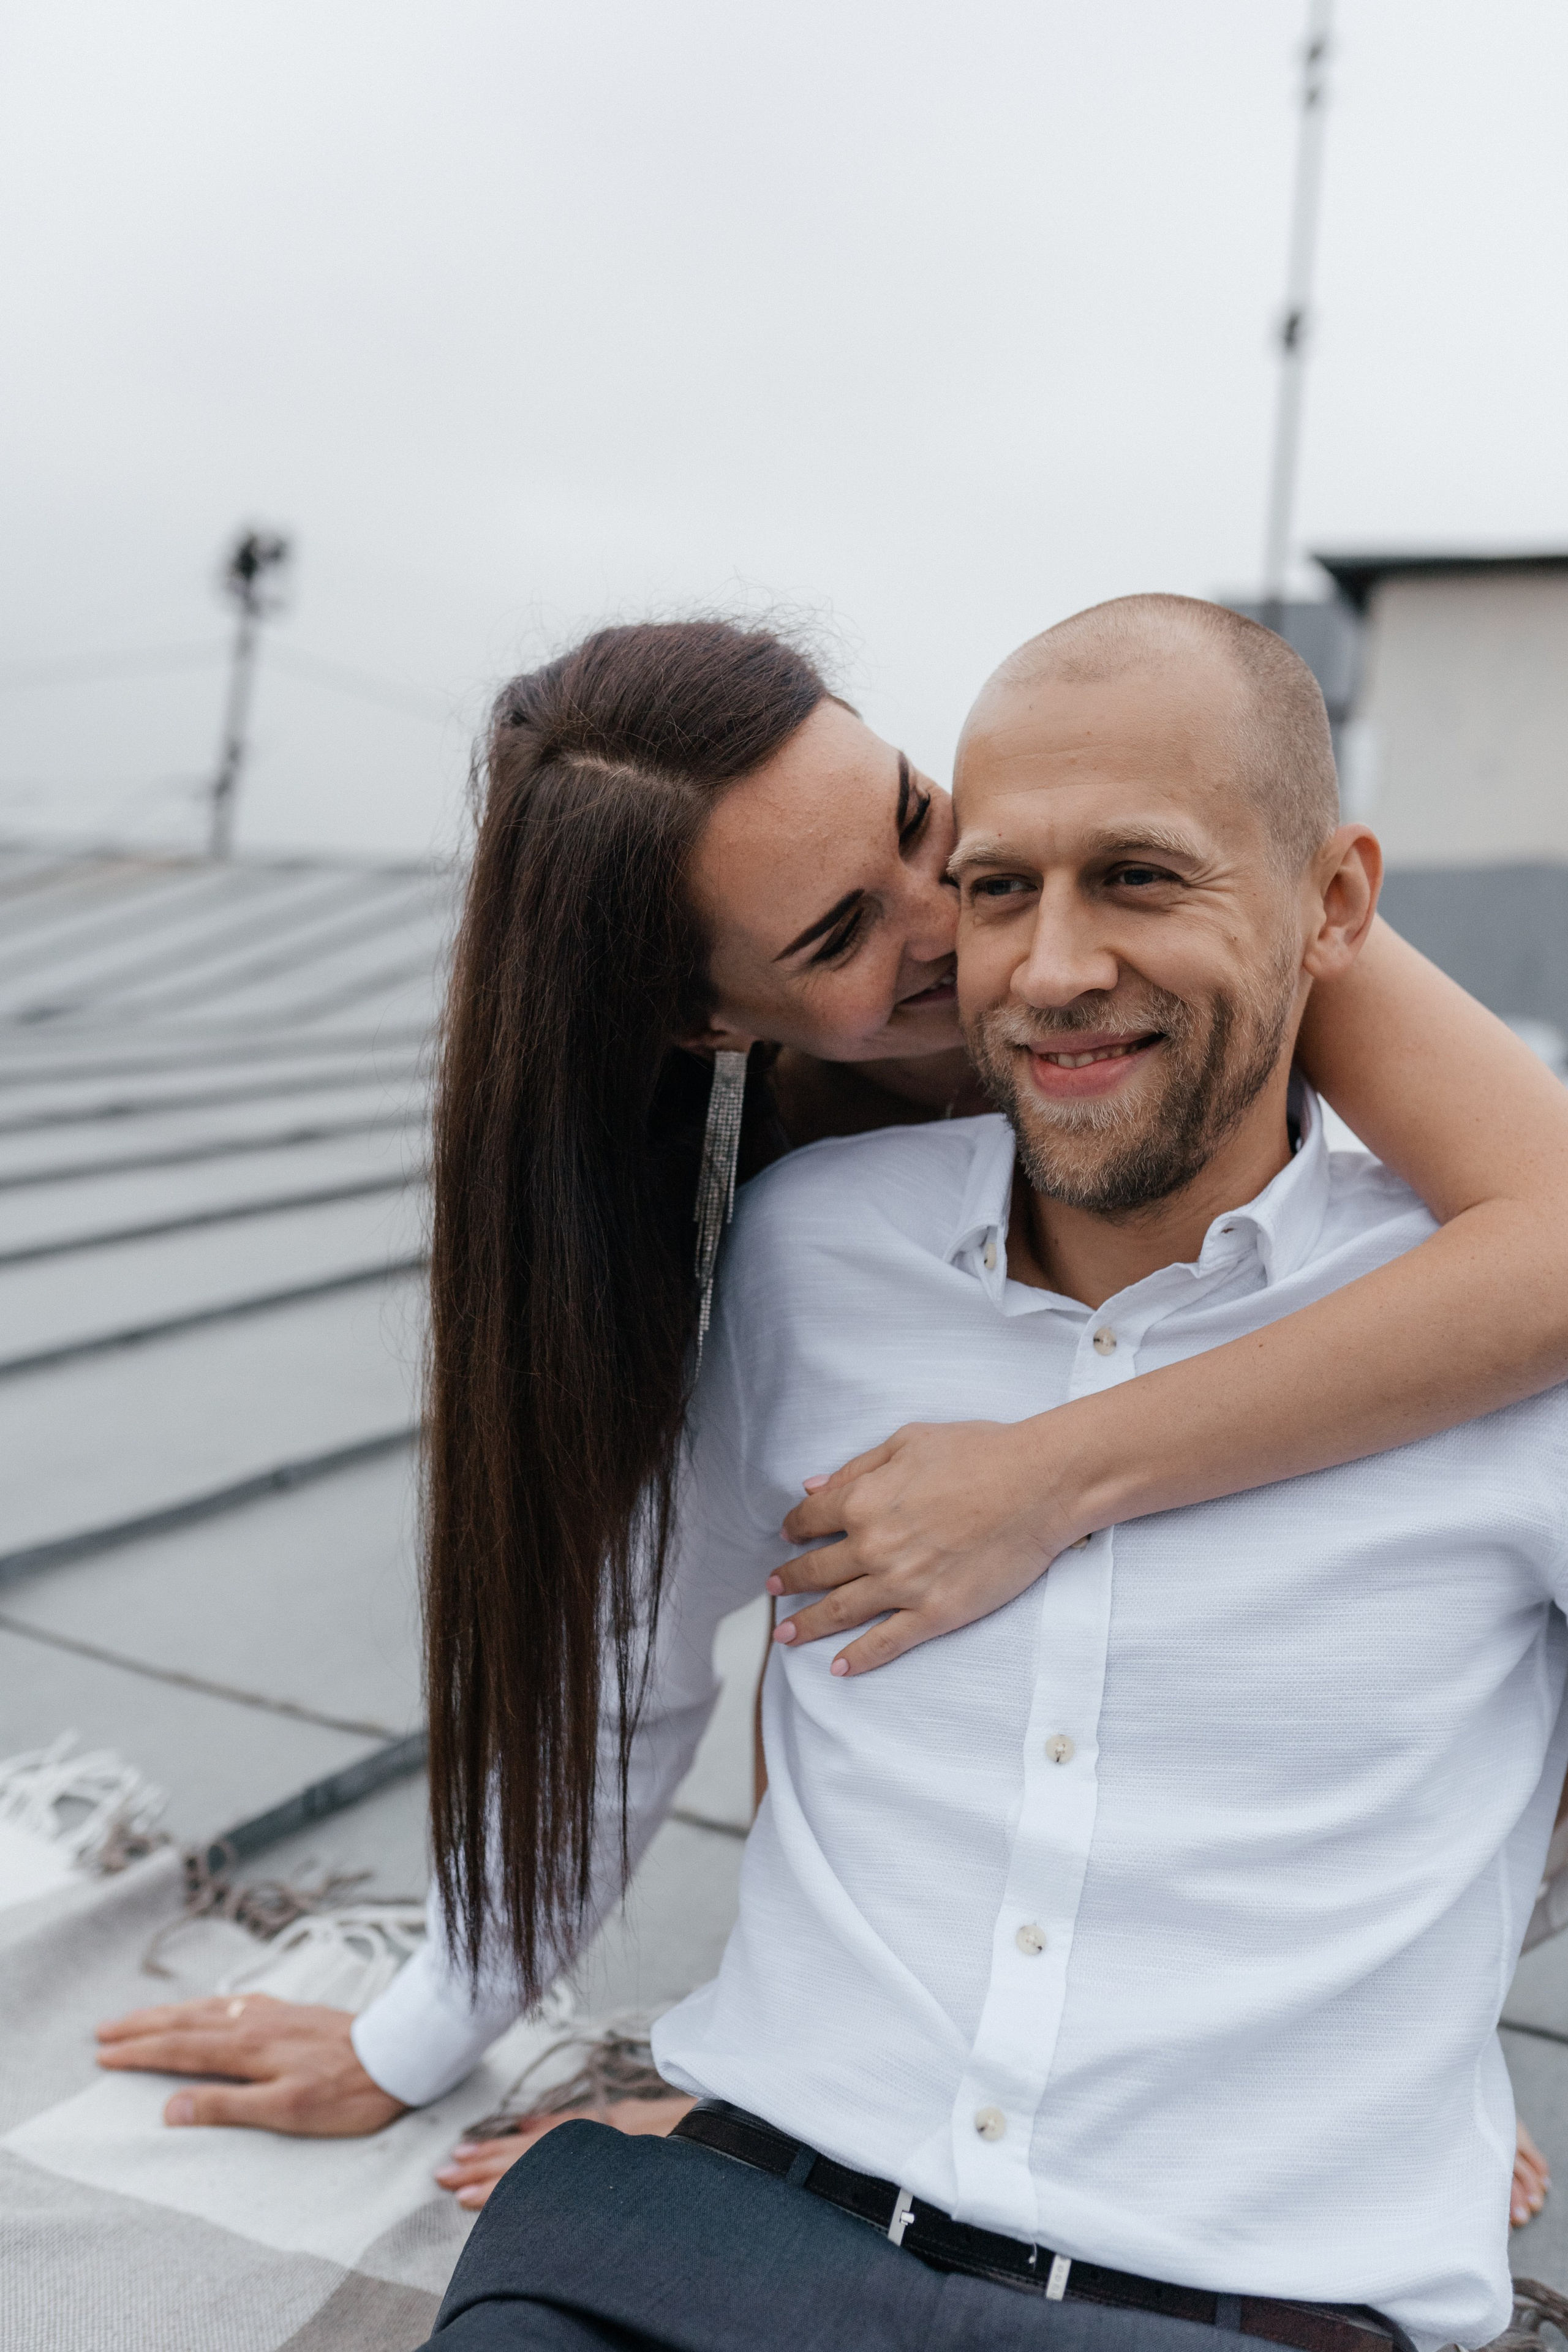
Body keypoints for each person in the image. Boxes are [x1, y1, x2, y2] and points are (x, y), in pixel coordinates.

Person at [93, 616, 1568, 2235]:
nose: (979, 918)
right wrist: (758, 2099)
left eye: (922, 820)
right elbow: (698, 1675)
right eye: (843, 931)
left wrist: (1049, 1476)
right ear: (718, 1025)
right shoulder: (817, 1220)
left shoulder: (1159, 913)